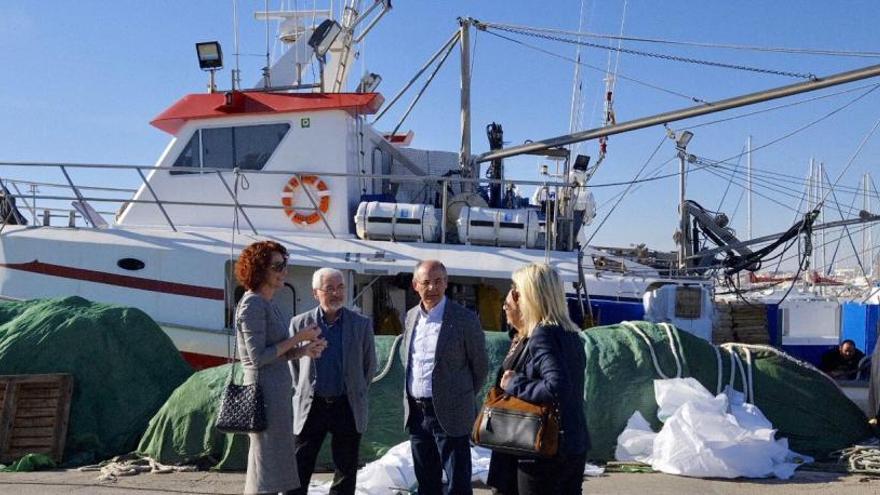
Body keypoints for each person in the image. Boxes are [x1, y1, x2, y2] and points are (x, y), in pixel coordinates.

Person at [234, 240, 326, 495]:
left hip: (276, 392)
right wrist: (298, 338)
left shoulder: (268, 303)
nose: (284, 270)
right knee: (265, 464)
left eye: (285, 264)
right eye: (277, 265)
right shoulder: (253, 303)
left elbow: (276, 353)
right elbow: (257, 357)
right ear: (259, 268)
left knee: (274, 463)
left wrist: (303, 350)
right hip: (264, 396)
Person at [497, 263, 588, 495]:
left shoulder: (542, 335)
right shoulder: (570, 334)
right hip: (572, 441)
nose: (511, 298)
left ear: (528, 296)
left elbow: (556, 386)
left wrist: (513, 383)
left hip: (543, 446)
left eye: (516, 292)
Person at [401, 260, 488, 495]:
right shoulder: (410, 317)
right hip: (417, 413)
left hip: (452, 412)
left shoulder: (464, 319)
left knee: (458, 483)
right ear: (415, 285)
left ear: (446, 283)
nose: (432, 288)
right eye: (426, 282)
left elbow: (479, 367)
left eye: (438, 281)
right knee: (426, 482)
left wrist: (460, 396)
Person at [290, 268, 377, 495]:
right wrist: (306, 388)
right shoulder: (299, 324)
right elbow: (294, 367)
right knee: (299, 467)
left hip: (346, 404)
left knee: (346, 471)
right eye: (329, 288)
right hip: (312, 404)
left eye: (340, 288)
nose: (336, 294)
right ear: (315, 293)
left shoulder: (361, 324)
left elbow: (369, 366)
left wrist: (354, 390)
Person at [485, 324, 528, 495]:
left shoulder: (538, 338)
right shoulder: (517, 337)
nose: (504, 308)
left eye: (508, 305)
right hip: (507, 428)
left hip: (522, 428)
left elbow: (553, 385)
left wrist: (514, 384)